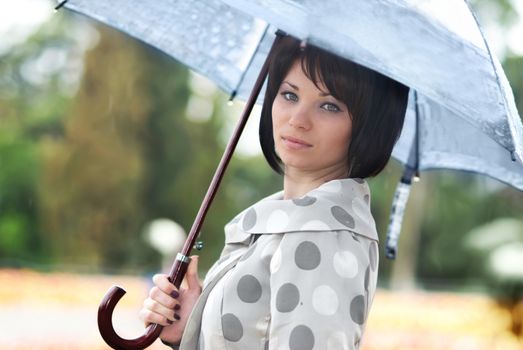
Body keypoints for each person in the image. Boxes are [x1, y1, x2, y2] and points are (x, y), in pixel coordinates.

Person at [139, 35, 409, 350]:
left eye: (329, 105)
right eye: (289, 95)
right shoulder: (287, 223)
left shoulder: (320, 235)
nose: (297, 120)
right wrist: (192, 329)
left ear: (367, 126)